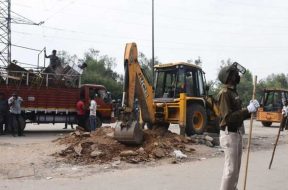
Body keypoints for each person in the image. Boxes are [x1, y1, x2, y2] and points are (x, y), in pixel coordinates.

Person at [217, 62, 259, 190]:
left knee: (235, 170)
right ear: (229, 76)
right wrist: (247, 110)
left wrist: (251, 110)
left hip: (237, 133)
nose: (237, 76)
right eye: (235, 73)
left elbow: (238, 115)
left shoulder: (234, 93)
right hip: (229, 133)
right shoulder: (225, 93)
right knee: (230, 170)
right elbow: (228, 118)